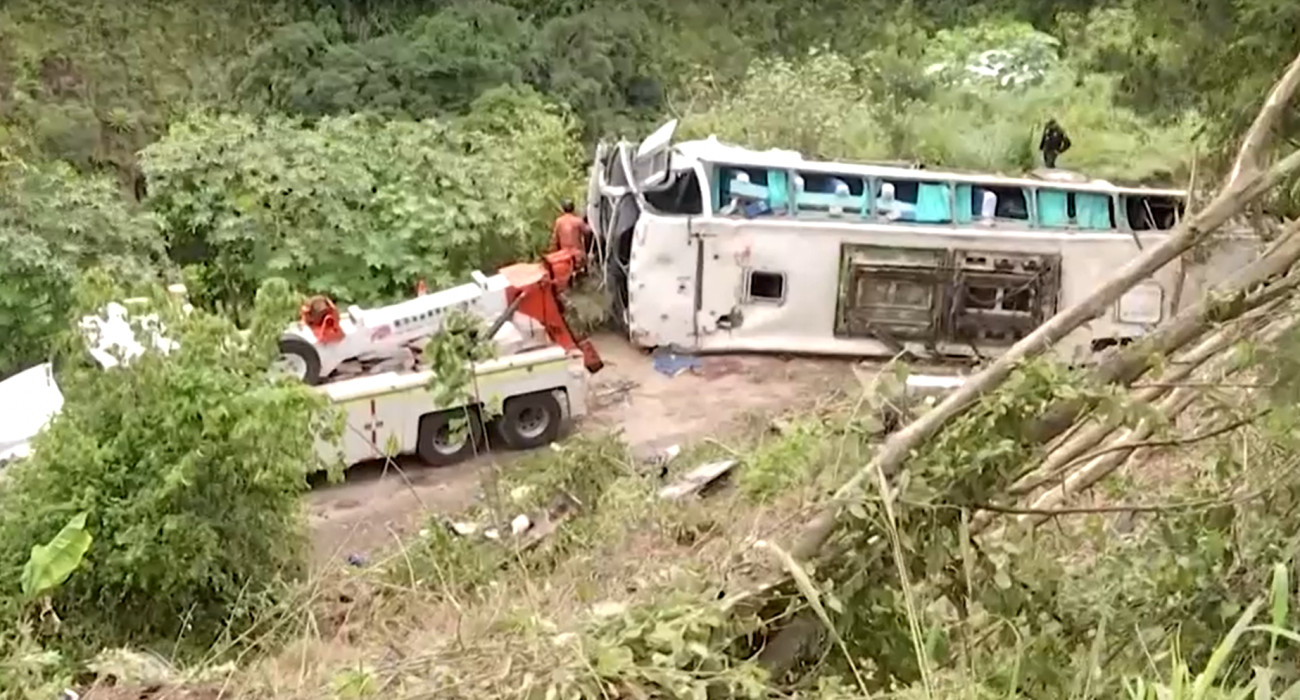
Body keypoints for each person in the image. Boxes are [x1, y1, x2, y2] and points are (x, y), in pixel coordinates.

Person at [550, 198, 592, 271]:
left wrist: (555, 254)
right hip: (578, 257)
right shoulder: (578, 221)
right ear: (573, 209)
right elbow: (588, 231)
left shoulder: (559, 221)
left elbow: (554, 240)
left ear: (563, 209)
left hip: (564, 257)